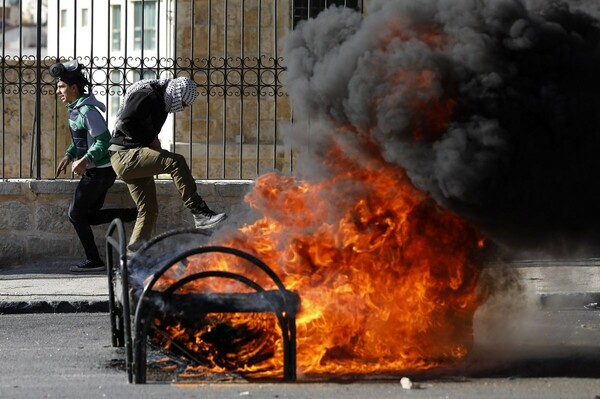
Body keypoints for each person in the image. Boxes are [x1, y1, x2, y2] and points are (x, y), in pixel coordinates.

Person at [108, 77, 227, 256]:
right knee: (175, 162)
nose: (184, 108)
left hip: (132, 156)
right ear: (177, 94)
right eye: (184, 103)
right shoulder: (147, 95)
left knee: (148, 210)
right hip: (125, 156)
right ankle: (200, 212)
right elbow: (126, 122)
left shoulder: (161, 102)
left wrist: (150, 142)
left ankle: (134, 259)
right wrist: (149, 140)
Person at [51, 59, 138, 272]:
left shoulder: (88, 111)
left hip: (98, 173)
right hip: (99, 173)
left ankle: (94, 261)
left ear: (74, 88)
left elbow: (104, 140)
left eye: (61, 86)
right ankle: (132, 214)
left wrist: (85, 160)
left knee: (75, 215)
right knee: (87, 215)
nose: (57, 91)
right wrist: (70, 155)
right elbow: (82, 139)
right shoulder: (77, 109)